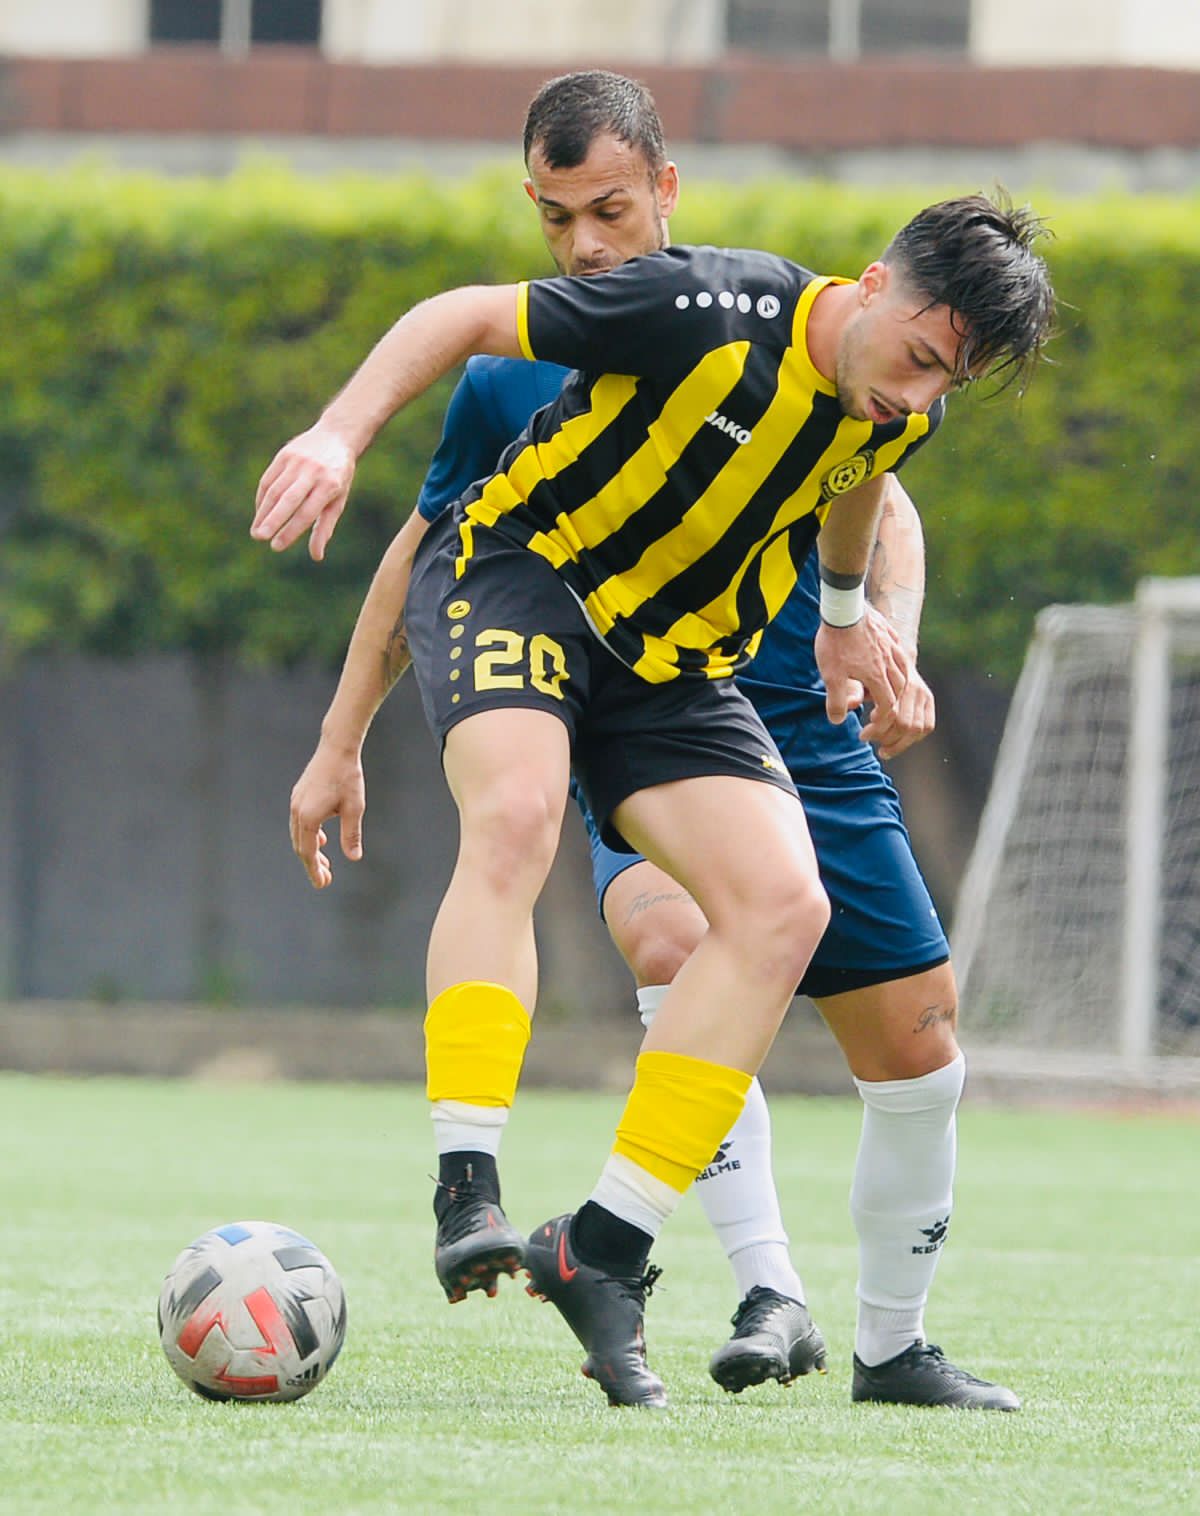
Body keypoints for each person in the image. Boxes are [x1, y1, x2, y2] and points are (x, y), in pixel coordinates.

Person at [252, 77, 1056, 1409]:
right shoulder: (699, 304)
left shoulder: (895, 400)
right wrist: (338, 439)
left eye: (943, 378)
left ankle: (605, 1245)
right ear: (871, 286)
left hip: (674, 657)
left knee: (785, 907)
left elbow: (861, 484)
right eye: (919, 356)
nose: (920, 392)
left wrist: (845, 622)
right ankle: (468, 1186)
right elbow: (459, 317)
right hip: (523, 576)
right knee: (520, 814)